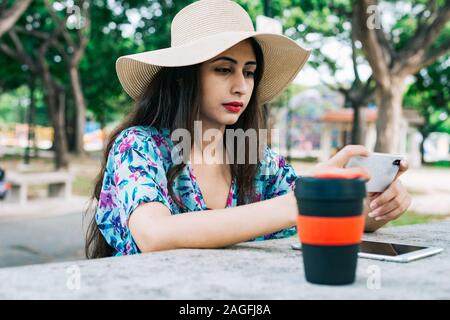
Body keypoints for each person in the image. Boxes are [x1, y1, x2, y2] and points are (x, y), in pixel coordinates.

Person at [85, 0, 412, 258]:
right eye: (224, 69)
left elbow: (324, 214)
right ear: (184, 76)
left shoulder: (259, 160)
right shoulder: (139, 147)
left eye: (250, 72)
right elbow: (154, 235)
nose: (242, 86)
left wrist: (377, 205)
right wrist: (303, 200)